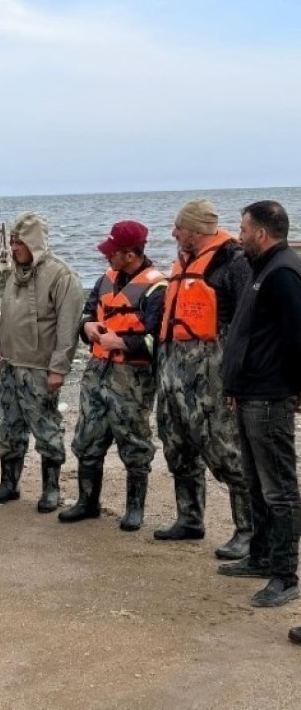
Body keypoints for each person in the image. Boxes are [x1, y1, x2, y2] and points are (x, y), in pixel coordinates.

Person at [154, 199, 254, 561]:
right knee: (175, 442)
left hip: (211, 370)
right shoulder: (181, 263)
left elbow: (249, 322)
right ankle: (190, 518)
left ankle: (248, 530)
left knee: (224, 448)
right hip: (171, 367)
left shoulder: (233, 263)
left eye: (178, 227)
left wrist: (238, 378)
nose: (174, 233)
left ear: (196, 230)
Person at [218, 201, 301, 608]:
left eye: (244, 229)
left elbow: (296, 337)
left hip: (269, 397)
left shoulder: (283, 271)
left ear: (263, 234)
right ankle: (262, 555)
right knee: (255, 483)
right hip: (249, 393)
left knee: (279, 489)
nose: (238, 235)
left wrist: (288, 389)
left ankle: (285, 575)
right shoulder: (259, 267)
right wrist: (235, 382)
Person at [58, 221, 166, 531]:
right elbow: (90, 313)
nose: (107, 257)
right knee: (87, 439)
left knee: (134, 441)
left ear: (130, 254)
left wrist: (120, 342)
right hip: (97, 373)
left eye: (113, 253)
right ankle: (87, 502)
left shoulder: (157, 287)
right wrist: (87, 327)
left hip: (131, 378)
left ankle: (134, 510)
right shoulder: (105, 280)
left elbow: (157, 340)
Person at [0, 212, 84, 513]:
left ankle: (51, 489)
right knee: (9, 426)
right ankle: (8, 484)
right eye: (12, 241)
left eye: (19, 243)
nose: (13, 248)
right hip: (11, 364)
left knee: (46, 428)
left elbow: (68, 328)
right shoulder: (15, 275)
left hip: (40, 369)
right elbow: (6, 318)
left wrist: (59, 368)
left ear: (34, 243)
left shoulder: (61, 276)